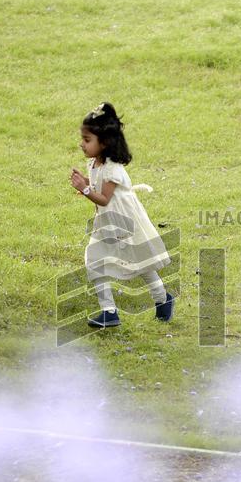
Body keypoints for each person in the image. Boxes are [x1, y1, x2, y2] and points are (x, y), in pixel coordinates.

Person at [69, 102, 174, 328]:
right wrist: (86, 183)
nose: (82, 144)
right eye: (82, 139)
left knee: (135, 262)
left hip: (123, 221)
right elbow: (99, 186)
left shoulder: (113, 168)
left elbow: (104, 198)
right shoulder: (95, 163)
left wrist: (84, 189)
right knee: (100, 260)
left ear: (104, 143)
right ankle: (112, 311)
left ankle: (159, 299)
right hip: (109, 221)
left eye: (87, 140)